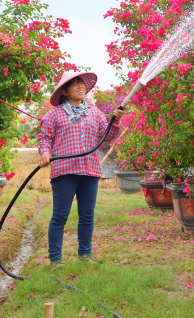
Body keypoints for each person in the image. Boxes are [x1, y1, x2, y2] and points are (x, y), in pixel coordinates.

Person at [38, 71, 124, 268]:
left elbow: (106, 136)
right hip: (64, 172)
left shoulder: (95, 113)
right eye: (75, 84)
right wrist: (45, 153)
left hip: (90, 171)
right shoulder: (54, 114)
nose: (81, 86)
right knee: (60, 215)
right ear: (65, 91)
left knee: (87, 215)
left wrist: (115, 120)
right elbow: (45, 138)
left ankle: (85, 255)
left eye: (82, 83)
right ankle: (55, 259)